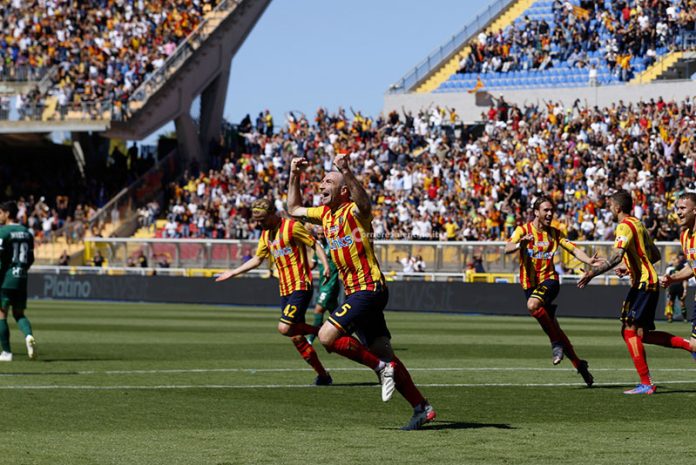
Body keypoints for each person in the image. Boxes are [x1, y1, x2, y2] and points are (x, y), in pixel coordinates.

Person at [288, 154, 436, 430]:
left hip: (369, 288)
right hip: (356, 293)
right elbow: (293, 208)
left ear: (344, 191)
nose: (321, 184)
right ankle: (421, 407)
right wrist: (294, 174)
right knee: (383, 352)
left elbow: (365, 204)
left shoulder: (354, 212)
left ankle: (381, 369)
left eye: (328, 181)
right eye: (322, 181)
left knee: (327, 336)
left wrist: (346, 169)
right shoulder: (324, 214)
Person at [578, 190, 693, 395]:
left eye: (610, 206)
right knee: (641, 334)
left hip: (643, 283)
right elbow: (654, 255)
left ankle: (646, 383)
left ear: (617, 207)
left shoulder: (624, 226)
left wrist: (591, 273)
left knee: (628, 330)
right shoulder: (637, 223)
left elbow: (616, 256)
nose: (609, 210)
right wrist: (630, 267)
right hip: (647, 281)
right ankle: (689, 346)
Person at [215, 199, 333, 385]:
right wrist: (234, 272)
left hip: (300, 284)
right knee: (295, 336)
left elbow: (315, 244)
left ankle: (323, 332)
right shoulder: (265, 234)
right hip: (284, 289)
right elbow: (257, 259)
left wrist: (325, 265)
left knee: (284, 327)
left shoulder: (292, 227)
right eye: (257, 221)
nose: (259, 224)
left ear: (272, 214)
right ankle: (323, 375)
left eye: (262, 220)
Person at [505, 196, 595, 386]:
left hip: (549, 281)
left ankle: (555, 344)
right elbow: (507, 247)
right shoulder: (523, 230)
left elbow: (573, 250)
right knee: (554, 328)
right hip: (529, 285)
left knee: (532, 305)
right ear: (536, 212)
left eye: (551, 210)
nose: (549, 213)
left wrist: (589, 261)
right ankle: (580, 365)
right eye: (545, 210)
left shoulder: (554, 233)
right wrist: (521, 244)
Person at [658, 192, 696, 356]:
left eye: (683, 208)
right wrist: (672, 278)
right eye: (677, 208)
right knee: (694, 345)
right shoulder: (685, 236)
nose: (678, 212)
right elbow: (692, 266)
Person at [0, 201, 37, 361]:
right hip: (21, 278)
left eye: (0, 213)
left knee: (1, 314)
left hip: (5, 279)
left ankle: (7, 352)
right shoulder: (27, 233)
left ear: (7, 214)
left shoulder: (3, 232)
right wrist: (21, 270)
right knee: (19, 313)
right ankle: (28, 336)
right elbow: (31, 258)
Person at [307, 227, 340, 346]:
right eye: (319, 234)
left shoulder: (332, 248)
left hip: (330, 284)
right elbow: (312, 265)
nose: (320, 236)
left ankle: (310, 339)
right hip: (323, 284)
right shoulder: (318, 249)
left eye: (322, 234)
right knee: (336, 314)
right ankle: (348, 335)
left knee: (318, 309)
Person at [664, 254, 688, 323]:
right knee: (670, 303)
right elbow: (667, 279)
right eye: (673, 260)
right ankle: (670, 318)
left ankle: (685, 318)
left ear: (678, 260)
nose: (674, 261)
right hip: (672, 288)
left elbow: (685, 280)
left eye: (675, 259)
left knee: (682, 303)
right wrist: (667, 289)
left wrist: (685, 290)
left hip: (680, 287)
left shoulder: (683, 268)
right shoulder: (669, 269)